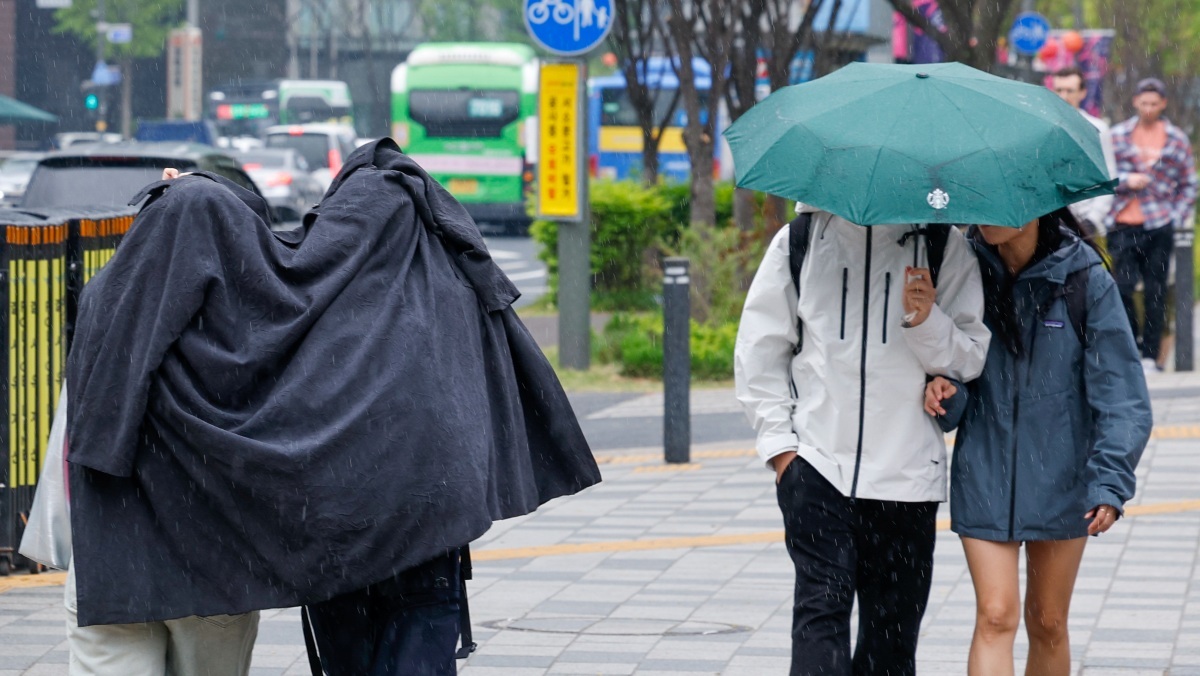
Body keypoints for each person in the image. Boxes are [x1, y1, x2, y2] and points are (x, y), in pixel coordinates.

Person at [64, 140, 601, 674]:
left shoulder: (124, 311)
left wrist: (183, 205)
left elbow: (251, 294)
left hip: (318, 550)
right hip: (418, 541)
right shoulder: (439, 288)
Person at [735, 204, 991, 675]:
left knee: (890, 643)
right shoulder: (802, 240)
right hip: (817, 468)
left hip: (908, 479)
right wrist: (782, 453)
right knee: (819, 617)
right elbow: (760, 348)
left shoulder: (943, 244)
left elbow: (970, 358)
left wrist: (926, 318)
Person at [925, 208, 1151, 675]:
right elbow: (955, 372)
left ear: (1034, 206)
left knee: (1047, 621)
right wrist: (945, 392)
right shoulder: (960, 268)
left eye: (998, 202)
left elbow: (1123, 396)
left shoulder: (1083, 278)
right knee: (995, 614)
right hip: (985, 472)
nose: (983, 213)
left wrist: (1110, 481)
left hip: (1063, 477)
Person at [1108, 77, 1198, 372]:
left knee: (1156, 291)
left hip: (1159, 222)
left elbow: (1188, 183)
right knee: (1121, 288)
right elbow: (1102, 176)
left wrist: (1177, 213)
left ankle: (1150, 355)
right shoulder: (1118, 135)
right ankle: (1130, 347)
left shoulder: (1176, 139)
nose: (1148, 109)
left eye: (1153, 104)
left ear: (1163, 104)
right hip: (1123, 221)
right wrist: (1126, 180)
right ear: (1135, 102)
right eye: (1143, 103)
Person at [1051, 66, 1117, 238]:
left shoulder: (1096, 128)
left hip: (1084, 219)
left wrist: (1093, 219)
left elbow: (1108, 175)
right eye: (1059, 90)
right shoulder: (1043, 127)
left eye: (1070, 90)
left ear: (1082, 92)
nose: (1063, 96)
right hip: (1048, 218)